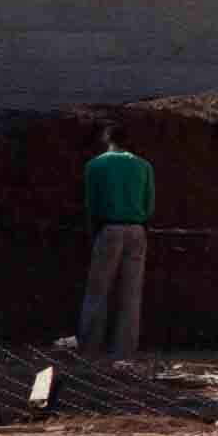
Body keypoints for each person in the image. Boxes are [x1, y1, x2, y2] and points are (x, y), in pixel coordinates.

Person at [75, 128, 156, 357]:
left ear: (107, 140)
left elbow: (92, 204)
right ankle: (123, 350)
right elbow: (149, 205)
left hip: (109, 228)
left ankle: (90, 347)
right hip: (137, 230)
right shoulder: (144, 166)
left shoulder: (96, 165)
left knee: (98, 291)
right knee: (131, 293)